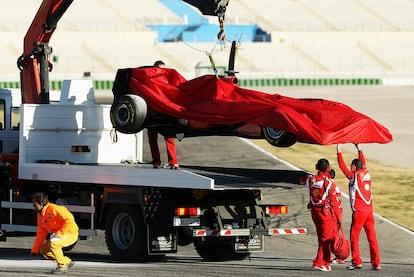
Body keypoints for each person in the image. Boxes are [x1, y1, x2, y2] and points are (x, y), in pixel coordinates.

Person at [336, 144, 381, 271]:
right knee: (372, 237)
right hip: (369, 211)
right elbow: (363, 163)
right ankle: (376, 263)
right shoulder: (367, 173)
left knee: (354, 237)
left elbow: (343, 168)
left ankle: (356, 262)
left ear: (353, 167)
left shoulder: (353, 176)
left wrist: (339, 151)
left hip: (359, 212)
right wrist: (359, 148)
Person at [301, 158, 342, 272]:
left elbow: (302, 179)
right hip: (325, 213)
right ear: (328, 168)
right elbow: (334, 202)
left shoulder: (310, 179)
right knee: (327, 238)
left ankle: (321, 261)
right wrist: (339, 218)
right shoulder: (329, 183)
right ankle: (323, 262)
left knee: (321, 238)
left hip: (314, 212)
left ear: (316, 167)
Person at [30, 192, 79, 274]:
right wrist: (35, 249)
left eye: (34, 204)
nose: (33, 206)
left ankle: (62, 265)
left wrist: (60, 233)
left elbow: (69, 220)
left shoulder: (55, 209)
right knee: (44, 250)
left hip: (70, 233)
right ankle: (66, 261)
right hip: (60, 234)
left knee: (53, 244)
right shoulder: (41, 215)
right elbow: (41, 232)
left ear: (41, 203)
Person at [147, 60, 180, 170]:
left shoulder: (168, 83)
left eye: (163, 69)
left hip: (165, 114)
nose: (160, 71)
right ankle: (156, 161)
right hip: (152, 114)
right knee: (152, 138)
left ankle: (173, 162)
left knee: (170, 137)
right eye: (158, 69)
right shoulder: (148, 82)